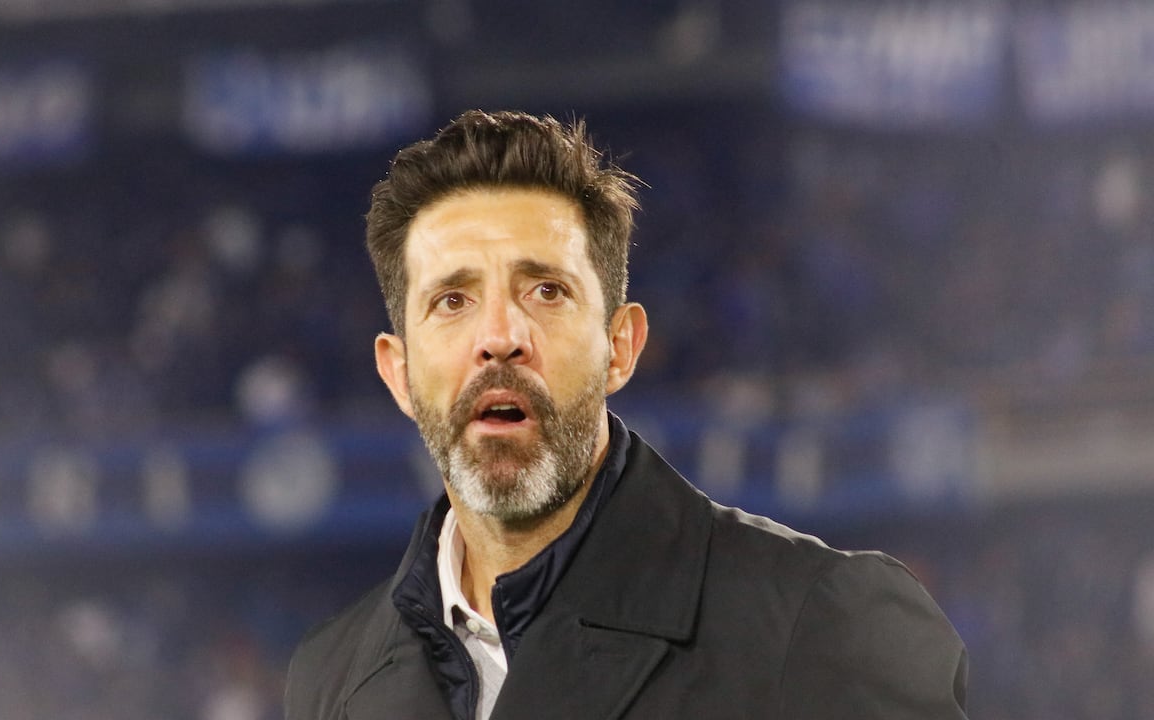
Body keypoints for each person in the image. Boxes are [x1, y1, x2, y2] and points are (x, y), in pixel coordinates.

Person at [284, 110, 969, 720]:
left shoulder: (822, 621)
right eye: (452, 301)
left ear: (621, 347)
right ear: (399, 373)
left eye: (546, 291)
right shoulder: (330, 675)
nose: (499, 336)